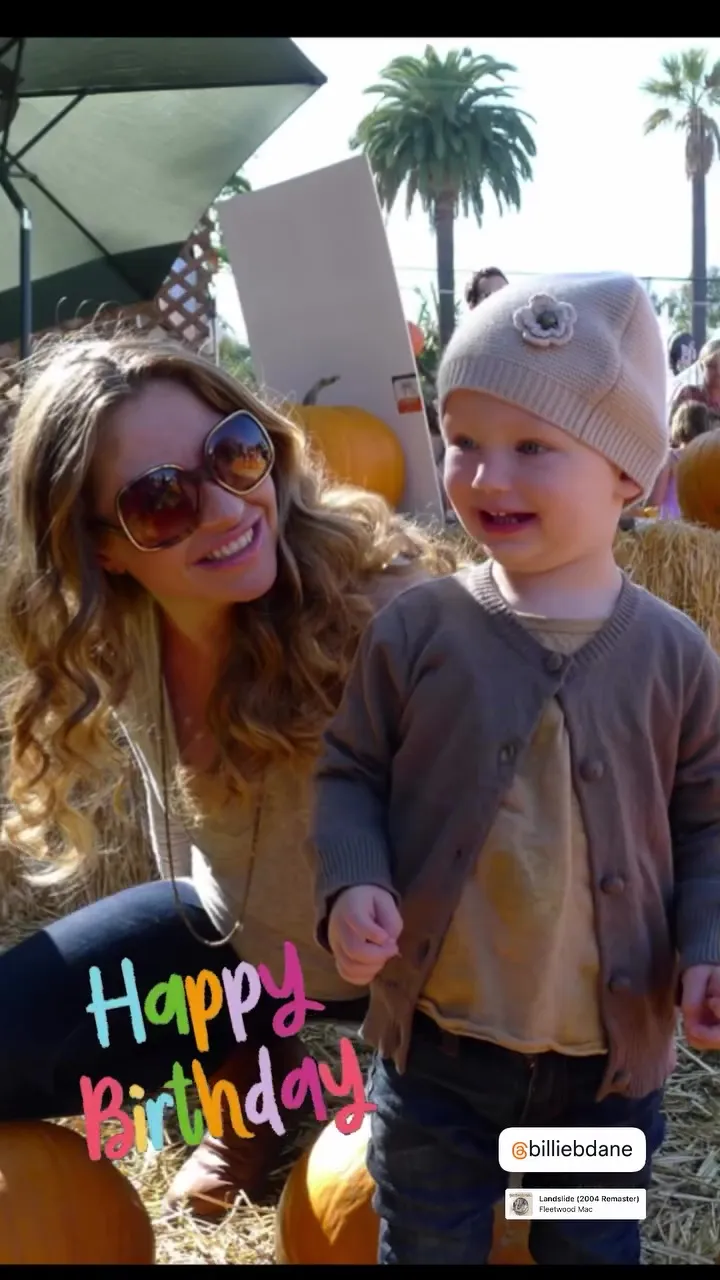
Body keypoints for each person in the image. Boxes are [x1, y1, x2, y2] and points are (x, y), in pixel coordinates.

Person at [311, 273, 720, 1266]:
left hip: (597, 1065)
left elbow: (707, 819)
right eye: (464, 442)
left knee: (584, 1248)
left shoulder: (673, 654)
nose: (487, 477)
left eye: (533, 447)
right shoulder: (421, 628)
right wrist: (353, 879)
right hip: (442, 1056)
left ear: (628, 471)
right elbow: (349, 771)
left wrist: (707, 940)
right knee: (431, 1247)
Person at [0, 330, 458, 1217]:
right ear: (101, 551)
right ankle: (258, 1093)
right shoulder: (123, 635)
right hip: (243, 948)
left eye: (234, 452)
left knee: (463, 1198)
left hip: (428, 972)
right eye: (161, 501)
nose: (225, 507)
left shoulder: (399, 619)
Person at [651, 400, 711, 520]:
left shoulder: (670, 458)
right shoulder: (707, 460)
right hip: (696, 527)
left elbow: (655, 502)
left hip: (670, 528)